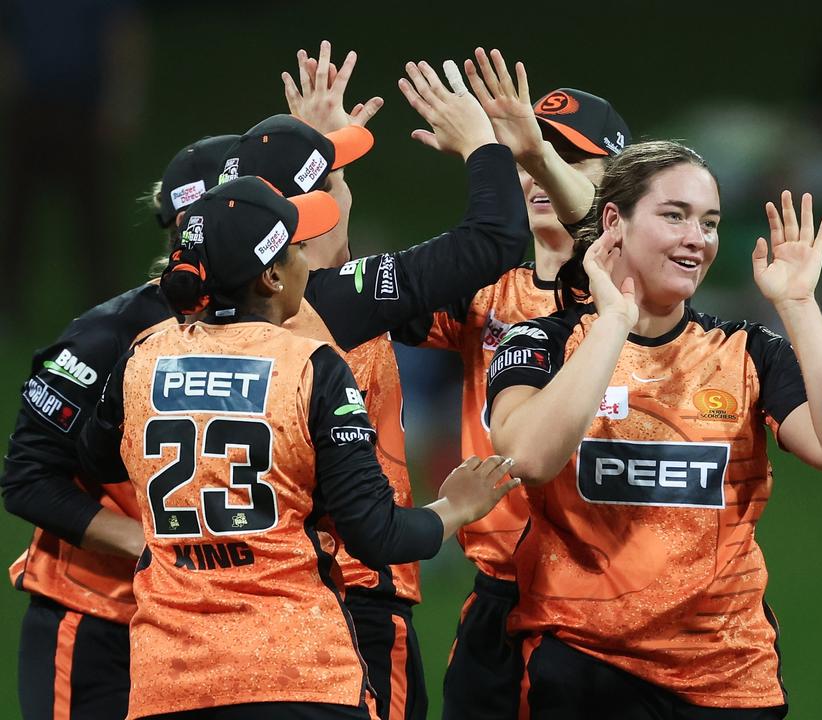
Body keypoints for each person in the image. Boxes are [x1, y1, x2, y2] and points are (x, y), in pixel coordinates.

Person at [76, 175, 521, 720]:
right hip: (300, 675)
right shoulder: (311, 366)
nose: (309, 265)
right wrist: (459, 505)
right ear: (271, 276)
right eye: (297, 251)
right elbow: (376, 534)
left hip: (168, 679)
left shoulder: (143, 355)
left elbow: (96, 458)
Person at [485, 139, 822, 718]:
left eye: (709, 222)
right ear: (613, 222)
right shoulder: (540, 342)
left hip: (728, 677)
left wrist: (799, 303)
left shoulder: (747, 351)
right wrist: (614, 323)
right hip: (585, 671)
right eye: (673, 215)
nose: (695, 238)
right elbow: (529, 456)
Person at [231, 46, 530, 720]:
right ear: (310, 215)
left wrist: (309, 144)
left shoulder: (186, 317)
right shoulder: (331, 303)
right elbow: (493, 239)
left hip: (239, 602)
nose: (348, 186)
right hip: (352, 592)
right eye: (334, 178)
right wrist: (483, 144)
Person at [391, 47, 632, 719]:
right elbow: (355, 296)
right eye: (524, 155)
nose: (534, 169)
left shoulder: (641, 297)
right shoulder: (484, 289)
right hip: (498, 598)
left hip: (613, 607)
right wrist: (321, 162)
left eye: (562, 156)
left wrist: (515, 151)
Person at [1, 131, 235, 720]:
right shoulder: (105, 336)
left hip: (208, 631)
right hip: (97, 623)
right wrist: (150, 548)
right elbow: (28, 478)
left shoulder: (276, 337)